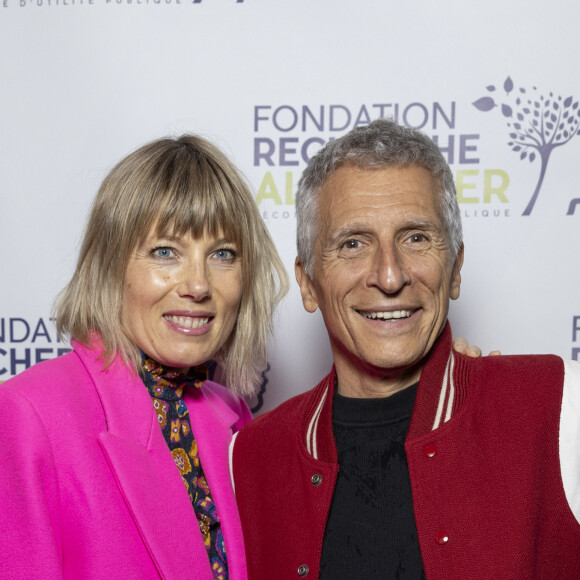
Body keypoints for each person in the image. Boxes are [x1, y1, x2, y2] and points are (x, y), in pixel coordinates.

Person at [231, 119, 580, 579]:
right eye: (353, 244)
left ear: (455, 268)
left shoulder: (557, 404)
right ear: (307, 282)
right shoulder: (250, 456)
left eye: (416, 238)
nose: (390, 276)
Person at [0, 134, 288, 579]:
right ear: (110, 265)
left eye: (222, 254)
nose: (198, 285)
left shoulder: (228, 415)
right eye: (165, 252)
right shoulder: (28, 413)